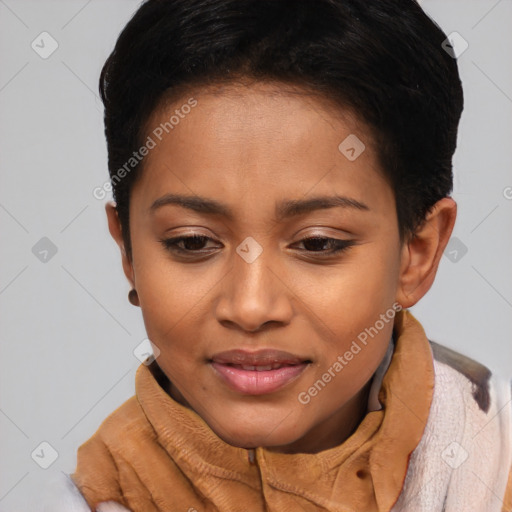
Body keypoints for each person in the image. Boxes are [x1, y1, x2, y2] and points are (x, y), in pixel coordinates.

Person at [43, 0, 512, 510]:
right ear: (129, 253)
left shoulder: (492, 462)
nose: (250, 307)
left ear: (416, 253)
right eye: (192, 242)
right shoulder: (95, 496)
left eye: (317, 243)